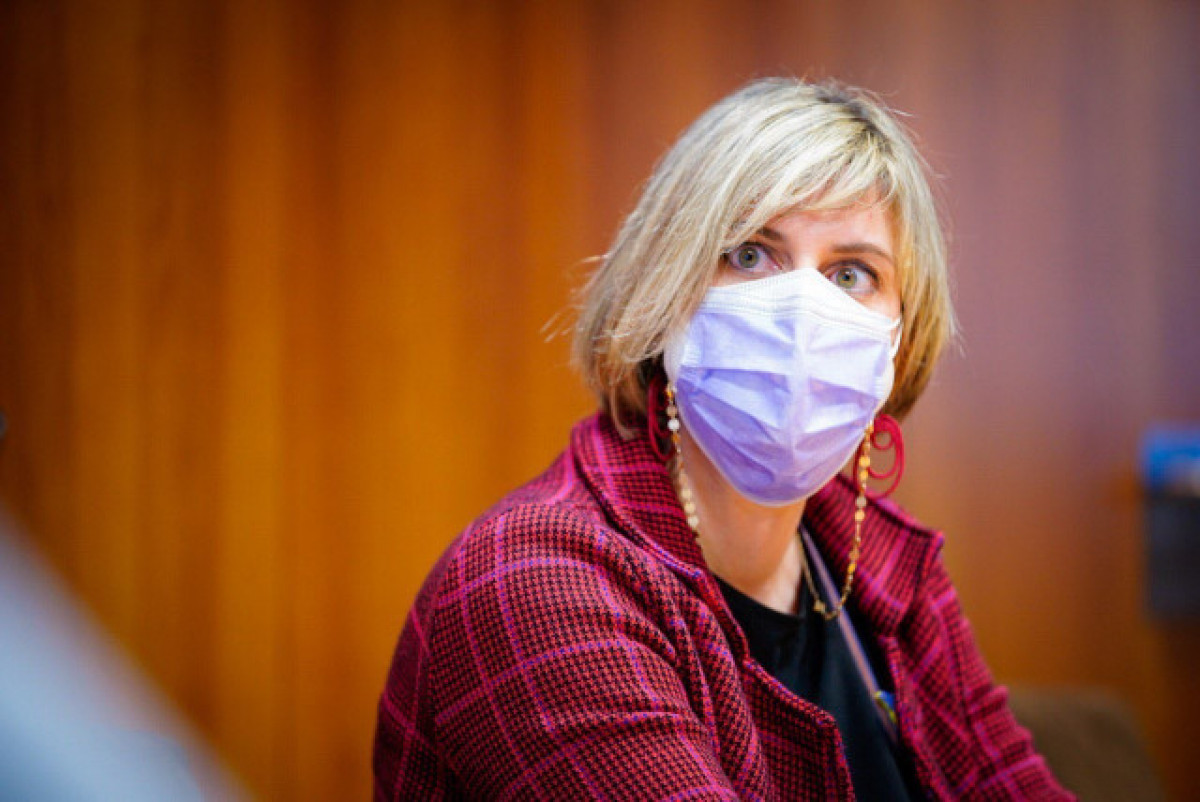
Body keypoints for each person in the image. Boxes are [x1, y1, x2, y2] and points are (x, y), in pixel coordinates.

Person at [373, 78, 1073, 800]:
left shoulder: (885, 568)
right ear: (663, 289)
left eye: (851, 273)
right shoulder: (531, 579)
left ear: (902, 332)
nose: (803, 316)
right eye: (749, 255)